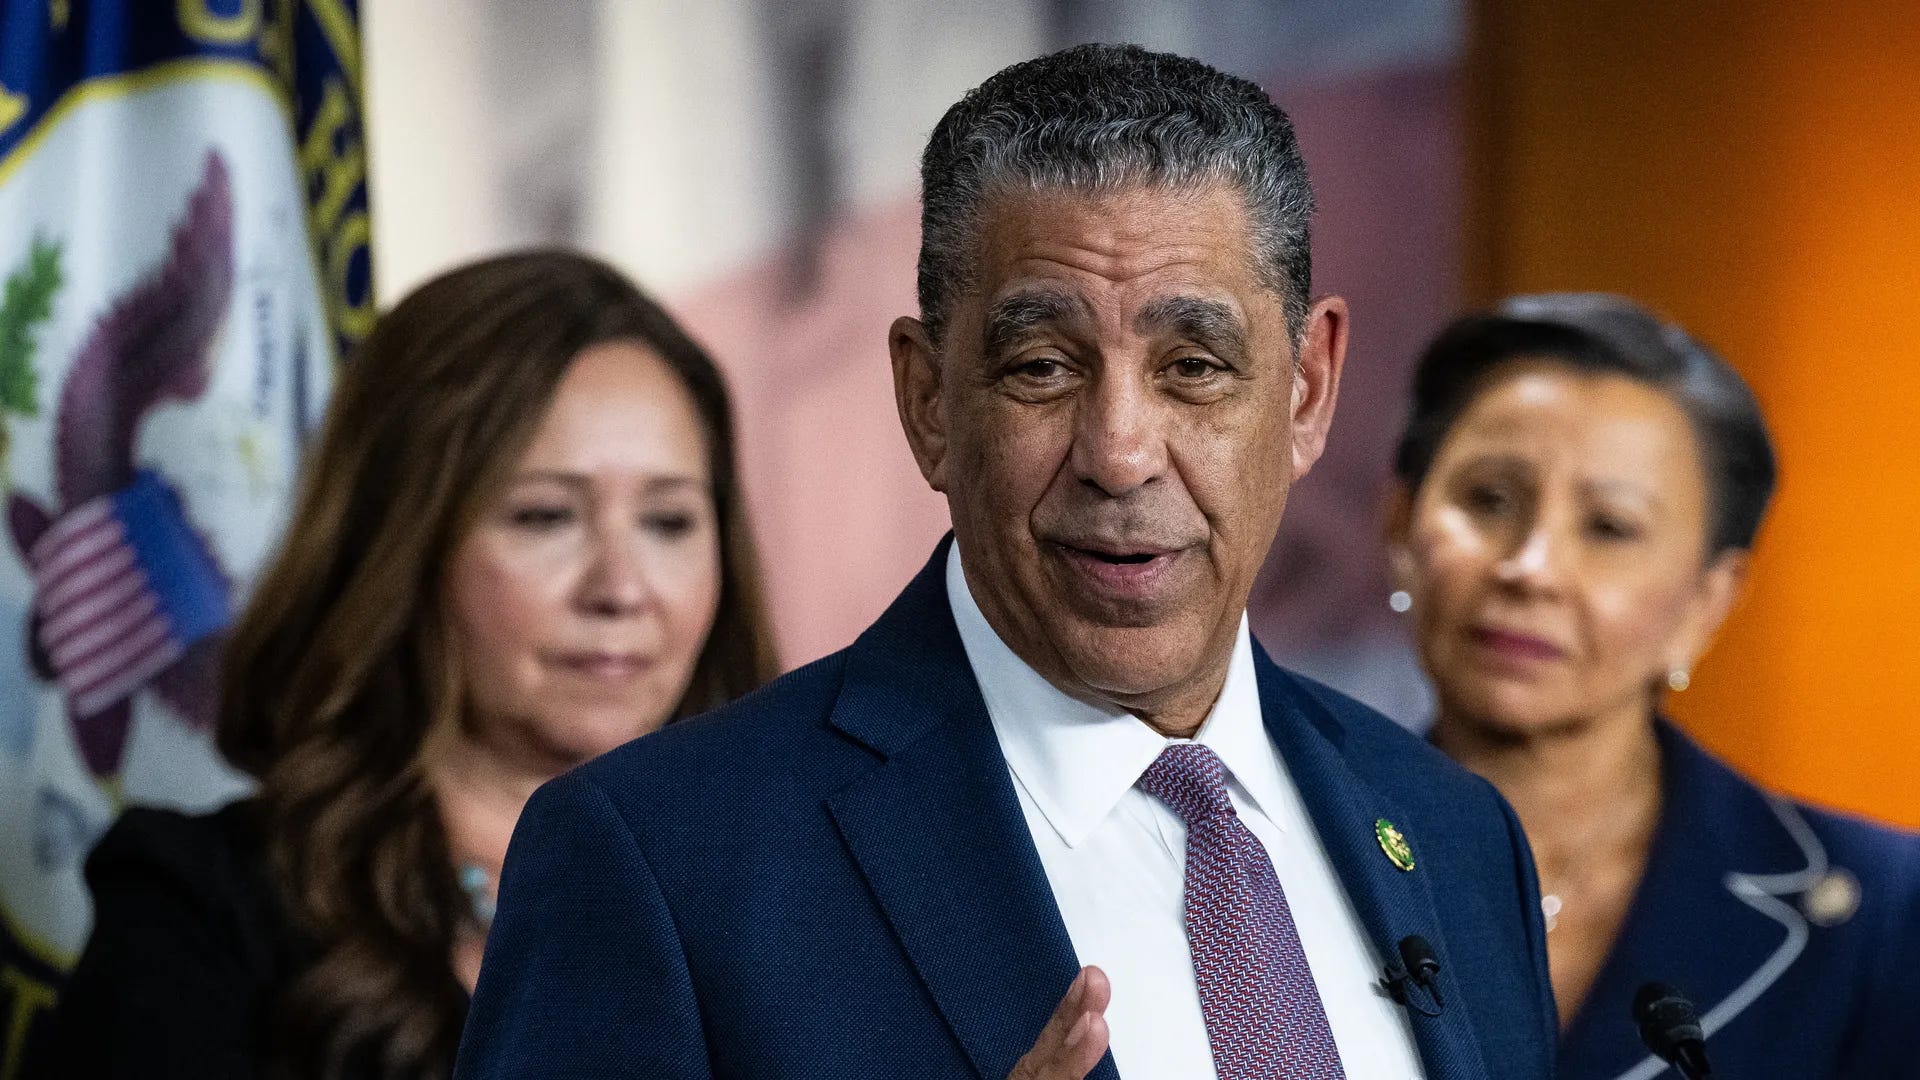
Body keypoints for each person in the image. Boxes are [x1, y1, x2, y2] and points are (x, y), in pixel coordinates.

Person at [455, 45, 1556, 1080]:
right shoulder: (660, 860)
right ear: (929, 399)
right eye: (1041, 366)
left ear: (1307, 391)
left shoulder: (1459, 838)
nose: (1120, 453)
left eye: (1193, 367)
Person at [39, 250, 778, 1079]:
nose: (621, 589)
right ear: (401, 543)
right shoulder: (201, 911)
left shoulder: (810, 887)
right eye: (544, 516)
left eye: (669, 521)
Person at [1386, 292, 1920, 1079]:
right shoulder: (1274, 855)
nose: (1530, 568)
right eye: (1489, 500)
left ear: (1707, 601)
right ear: (1401, 526)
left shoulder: (1886, 915)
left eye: (1609, 526)